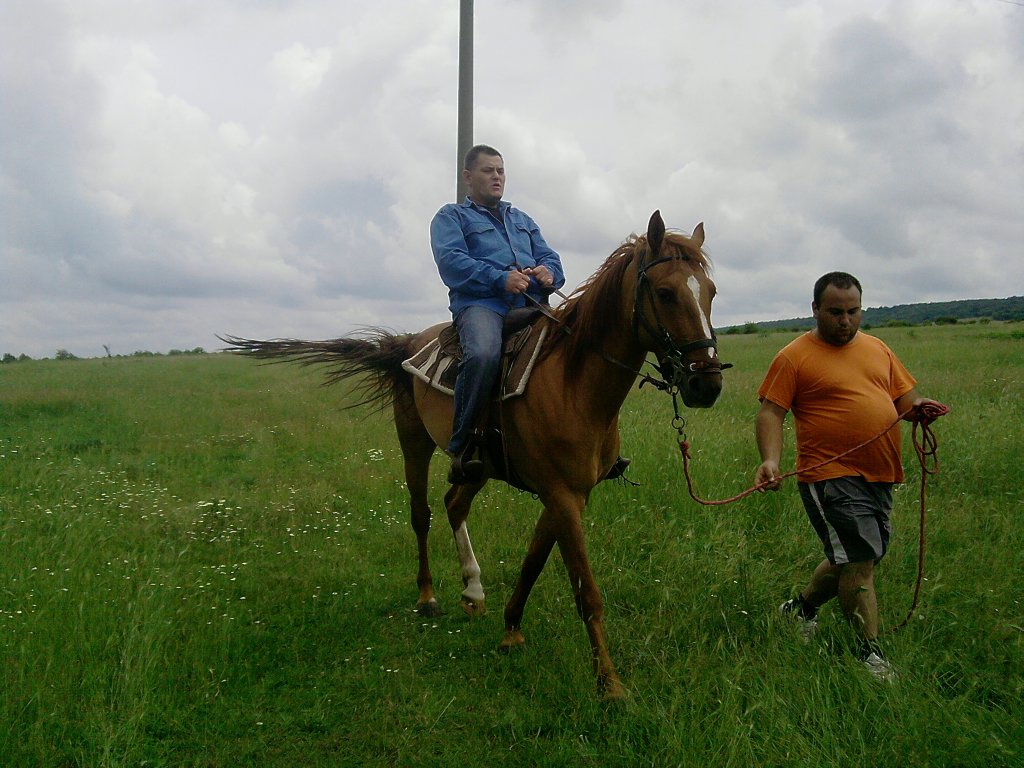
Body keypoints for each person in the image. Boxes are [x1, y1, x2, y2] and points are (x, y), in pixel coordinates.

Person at [753, 271, 942, 681]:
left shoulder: (877, 348)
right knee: (859, 558)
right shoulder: (793, 356)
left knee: (856, 558)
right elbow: (771, 412)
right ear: (815, 309)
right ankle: (868, 656)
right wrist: (770, 460)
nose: (845, 320)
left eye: (853, 311)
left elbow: (904, 398)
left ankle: (799, 610)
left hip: (880, 473)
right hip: (828, 475)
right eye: (835, 312)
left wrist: (920, 407)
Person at [429, 144, 566, 484]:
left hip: (531, 304)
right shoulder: (451, 217)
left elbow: (550, 256)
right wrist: (500, 278)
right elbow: (451, 263)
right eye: (488, 170)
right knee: (484, 353)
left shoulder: (522, 220)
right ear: (468, 177)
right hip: (482, 305)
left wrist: (549, 273)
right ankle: (464, 446)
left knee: (578, 342)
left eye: (500, 171)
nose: (496, 177)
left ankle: (588, 442)